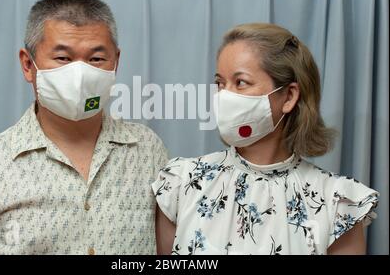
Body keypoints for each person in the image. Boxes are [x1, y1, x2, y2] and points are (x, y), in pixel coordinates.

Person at [0, 0, 168, 254]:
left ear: (115, 63)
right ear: (28, 64)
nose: (80, 74)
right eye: (63, 58)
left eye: (96, 59)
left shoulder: (148, 150)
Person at [153, 23, 379, 255]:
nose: (224, 95)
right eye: (220, 83)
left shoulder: (338, 204)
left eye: (240, 82)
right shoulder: (182, 183)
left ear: (289, 96)